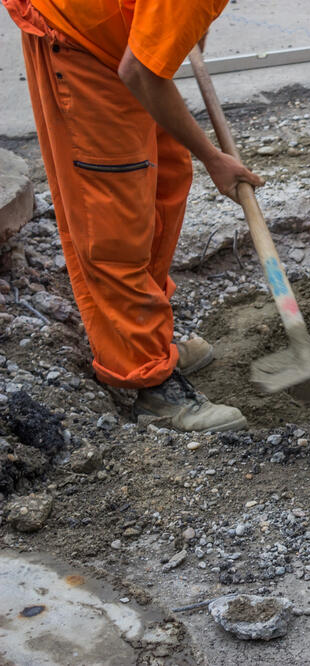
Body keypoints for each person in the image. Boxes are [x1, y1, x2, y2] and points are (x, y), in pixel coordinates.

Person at [3, 0, 264, 432]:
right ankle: (150, 382)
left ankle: (150, 336)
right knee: (111, 216)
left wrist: (178, 33)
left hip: (117, 36)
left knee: (167, 175)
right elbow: (139, 72)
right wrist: (213, 158)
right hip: (76, 41)